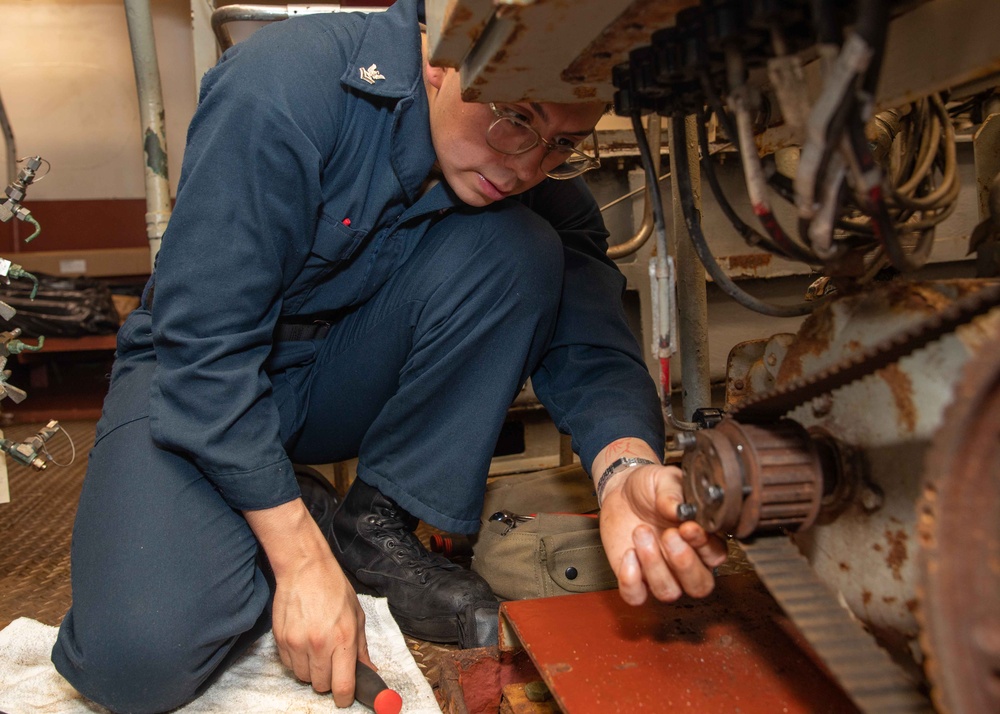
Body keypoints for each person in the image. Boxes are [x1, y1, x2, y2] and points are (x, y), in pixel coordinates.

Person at [51, 0, 727, 711]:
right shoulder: (285, 84)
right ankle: (293, 513)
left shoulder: (544, 190)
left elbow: (592, 344)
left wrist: (623, 470)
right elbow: (204, 343)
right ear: (441, 58)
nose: (528, 162)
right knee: (135, 662)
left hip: (338, 384)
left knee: (523, 250)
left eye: (562, 142)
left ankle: (372, 529)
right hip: (200, 379)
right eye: (518, 116)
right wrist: (295, 556)